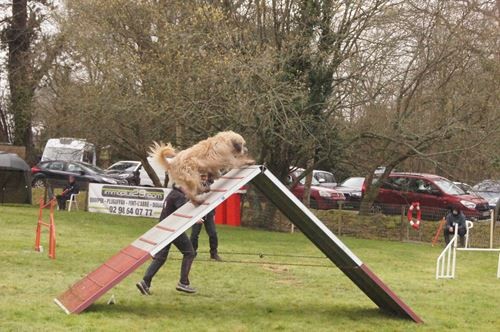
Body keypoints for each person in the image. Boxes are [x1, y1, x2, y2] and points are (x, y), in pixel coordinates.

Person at [136, 183, 197, 295]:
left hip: (163, 229)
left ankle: (145, 282)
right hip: (172, 230)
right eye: (188, 187)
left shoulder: (173, 193)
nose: (189, 190)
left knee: (160, 257)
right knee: (190, 253)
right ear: (182, 186)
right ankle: (183, 283)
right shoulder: (179, 196)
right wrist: (195, 219)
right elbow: (182, 213)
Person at [190, 173, 222, 261]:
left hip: (209, 213)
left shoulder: (211, 184)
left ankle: (214, 254)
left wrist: (213, 213)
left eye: (205, 176)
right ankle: (192, 253)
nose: (203, 178)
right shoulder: (194, 185)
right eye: (202, 176)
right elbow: (191, 198)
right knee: (194, 235)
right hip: (198, 213)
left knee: (213, 234)